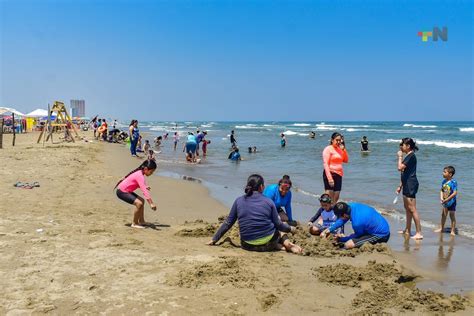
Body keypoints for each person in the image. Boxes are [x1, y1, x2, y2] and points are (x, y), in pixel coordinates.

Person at [207, 174, 302, 254]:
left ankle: (278, 246)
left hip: (247, 245)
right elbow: (278, 224)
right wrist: (290, 229)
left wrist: (214, 239)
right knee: (281, 230)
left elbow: (228, 222)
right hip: (268, 244)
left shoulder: (238, 200)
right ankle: (289, 245)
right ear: (261, 187)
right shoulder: (269, 202)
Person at [321, 202, 390, 249]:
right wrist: (329, 229)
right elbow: (342, 220)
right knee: (353, 237)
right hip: (372, 226)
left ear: (344, 215)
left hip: (381, 235)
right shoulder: (351, 206)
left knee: (348, 244)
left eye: (339, 216)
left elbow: (357, 236)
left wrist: (341, 239)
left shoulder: (357, 223)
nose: (339, 218)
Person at [114, 160, 157, 229]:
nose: (151, 173)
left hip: (126, 190)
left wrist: (145, 186)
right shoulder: (140, 175)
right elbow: (144, 191)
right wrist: (151, 203)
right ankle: (134, 223)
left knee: (142, 201)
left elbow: (136, 183)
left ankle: (141, 221)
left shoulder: (140, 173)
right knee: (139, 203)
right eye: (151, 172)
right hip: (121, 192)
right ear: (146, 169)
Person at [396, 138, 423, 240]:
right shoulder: (408, 156)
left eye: (402, 145)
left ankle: (419, 233)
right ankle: (407, 230)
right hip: (406, 183)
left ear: (408, 146)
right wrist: (400, 186)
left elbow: (400, 168)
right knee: (407, 208)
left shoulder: (411, 156)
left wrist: (399, 157)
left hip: (411, 184)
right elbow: (404, 173)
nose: (400, 147)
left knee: (412, 209)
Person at [322, 132, 349, 204]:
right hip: (330, 173)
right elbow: (325, 164)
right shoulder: (328, 149)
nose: (338, 142)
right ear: (332, 140)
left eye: (340, 140)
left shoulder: (340, 149)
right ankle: (323, 213)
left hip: (339, 174)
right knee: (328, 198)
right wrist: (330, 179)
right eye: (337, 140)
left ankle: (332, 213)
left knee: (336, 197)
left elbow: (346, 160)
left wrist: (344, 150)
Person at [435, 166, 458, 236]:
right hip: (445, 201)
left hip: (452, 202)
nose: (443, 173)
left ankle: (453, 230)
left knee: (452, 216)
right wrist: (441, 198)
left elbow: (455, 193)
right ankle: (441, 228)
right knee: (443, 215)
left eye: (444, 172)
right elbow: (442, 190)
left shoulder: (453, 182)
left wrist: (447, 200)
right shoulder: (444, 181)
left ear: (450, 174)